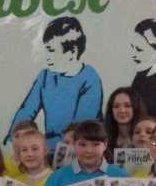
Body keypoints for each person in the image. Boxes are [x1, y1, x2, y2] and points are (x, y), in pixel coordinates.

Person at [7, 16, 104, 150]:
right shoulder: (45, 76)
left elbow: (79, 133)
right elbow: (26, 110)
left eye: (51, 50)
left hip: (79, 151)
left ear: (72, 52)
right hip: (48, 149)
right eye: (46, 50)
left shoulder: (90, 79)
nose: (46, 57)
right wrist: (13, 138)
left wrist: (38, 144)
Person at [104, 87, 146, 161]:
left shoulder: (147, 135)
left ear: (136, 107)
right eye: (116, 106)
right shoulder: (104, 136)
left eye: (127, 106)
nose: (122, 111)